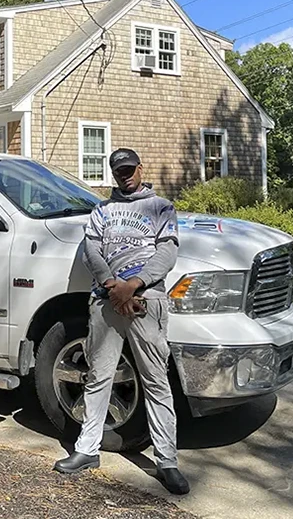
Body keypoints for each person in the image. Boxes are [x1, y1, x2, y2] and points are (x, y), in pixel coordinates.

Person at [53, 148, 190, 495]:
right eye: (119, 171)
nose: (125, 175)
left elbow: (167, 251)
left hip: (146, 299)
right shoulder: (101, 210)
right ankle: (87, 450)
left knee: (156, 380)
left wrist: (134, 284)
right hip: (107, 300)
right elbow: (92, 251)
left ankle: (167, 461)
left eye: (129, 169)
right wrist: (114, 285)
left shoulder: (161, 207)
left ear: (141, 169)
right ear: (113, 174)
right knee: (99, 375)